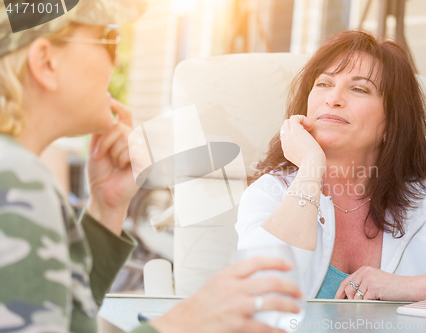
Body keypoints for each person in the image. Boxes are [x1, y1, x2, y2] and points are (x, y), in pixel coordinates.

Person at [0, 1, 301, 332]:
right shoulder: (18, 178)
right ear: (46, 63)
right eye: (108, 39)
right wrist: (183, 322)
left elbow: (58, 317)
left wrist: (105, 210)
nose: (116, 60)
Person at [236, 30, 426, 303]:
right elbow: (258, 297)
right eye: (323, 84)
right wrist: (310, 167)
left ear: (390, 124)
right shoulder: (269, 193)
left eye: (359, 88)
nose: (333, 98)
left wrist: (405, 288)